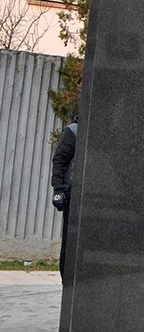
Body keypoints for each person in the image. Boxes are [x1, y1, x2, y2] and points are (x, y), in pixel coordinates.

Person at [51, 116, 77, 280]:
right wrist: (58, 187)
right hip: (72, 193)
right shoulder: (73, 131)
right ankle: (66, 280)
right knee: (69, 241)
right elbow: (60, 159)